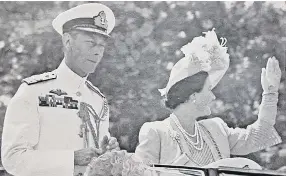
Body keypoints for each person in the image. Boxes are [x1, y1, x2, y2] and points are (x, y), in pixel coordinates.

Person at [134, 29, 282, 168]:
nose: (213, 96)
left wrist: (270, 93)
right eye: (209, 90)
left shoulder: (216, 128)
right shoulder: (156, 132)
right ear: (193, 96)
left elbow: (257, 136)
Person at [1, 3, 120, 176]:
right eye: (90, 43)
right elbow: (13, 159)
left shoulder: (97, 99)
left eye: (101, 46)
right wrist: (70, 158)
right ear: (68, 41)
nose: (97, 52)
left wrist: (109, 152)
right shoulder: (34, 91)